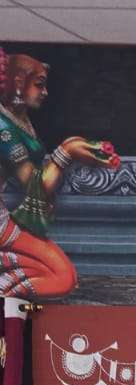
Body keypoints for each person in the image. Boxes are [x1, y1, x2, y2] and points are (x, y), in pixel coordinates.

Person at [0, 47, 121, 302]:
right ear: (18, 84)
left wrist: (75, 145)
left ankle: (6, 287)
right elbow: (36, 185)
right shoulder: (4, 130)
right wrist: (67, 152)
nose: (45, 92)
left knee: (63, 276)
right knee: (62, 278)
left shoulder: (16, 119)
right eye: (39, 84)